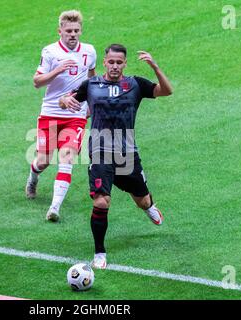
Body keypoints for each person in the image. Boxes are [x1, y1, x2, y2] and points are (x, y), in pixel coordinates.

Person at [59, 44, 173, 269]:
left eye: (119, 62)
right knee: (101, 201)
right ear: (104, 62)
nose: (114, 66)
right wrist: (65, 101)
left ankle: (149, 206)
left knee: (142, 200)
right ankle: (99, 252)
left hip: (127, 152)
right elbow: (66, 99)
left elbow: (166, 91)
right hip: (100, 152)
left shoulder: (135, 84)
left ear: (125, 64)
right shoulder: (91, 85)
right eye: (111, 62)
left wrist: (156, 67)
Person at [26, 10, 97, 222]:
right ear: (60, 31)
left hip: (76, 113)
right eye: (68, 31)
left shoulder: (89, 51)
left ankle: (54, 207)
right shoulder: (50, 52)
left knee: (67, 157)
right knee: (44, 161)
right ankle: (33, 178)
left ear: (81, 30)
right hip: (50, 112)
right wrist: (57, 70)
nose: (73, 34)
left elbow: (92, 78)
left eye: (76, 30)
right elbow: (37, 82)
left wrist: (91, 104)